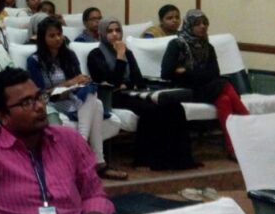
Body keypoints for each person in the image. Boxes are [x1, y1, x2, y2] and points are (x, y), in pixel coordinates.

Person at [0, 67, 114, 214]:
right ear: (3, 116)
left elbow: (93, 194)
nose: (39, 106)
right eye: (26, 102)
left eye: (39, 97)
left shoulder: (69, 140)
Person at [88, 17, 197, 170]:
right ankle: (146, 160)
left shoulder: (128, 52)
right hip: (112, 96)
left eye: (118, 30)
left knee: (175, 107)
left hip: (131, 93)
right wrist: (120, 57)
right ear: (102, 33)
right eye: (110, 31)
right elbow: (112, 82)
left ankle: (178, 159)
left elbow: (138, 80)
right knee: (151, 110)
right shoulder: (95, 55)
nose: (115, 34)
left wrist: (126, 80)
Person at [28, 18, 125, 180]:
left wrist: (82, 81)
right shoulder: (34, 61)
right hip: (51, 101)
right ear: (43, 38)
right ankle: (96, 160)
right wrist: (69, 83)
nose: (57, 38)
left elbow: (78, 82)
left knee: (94, 97)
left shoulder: (69, 55)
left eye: (59, 34)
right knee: (95, 102)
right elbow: (39, 94)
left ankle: (87, 153)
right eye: (52, 35)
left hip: (73, 98)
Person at [161, 9, 249, 157]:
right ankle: (249, 122)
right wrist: (198, 74)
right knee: (224, 85)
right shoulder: (176, 44)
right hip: (186, 90)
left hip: (206, 88)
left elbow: (214, 73)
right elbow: (166, 73)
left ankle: (232, 148)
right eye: (198, 24)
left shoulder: (208, 47)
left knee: (225, 100)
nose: (202, 27)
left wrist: (187, 71)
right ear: (189, 25)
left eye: (205, 23)